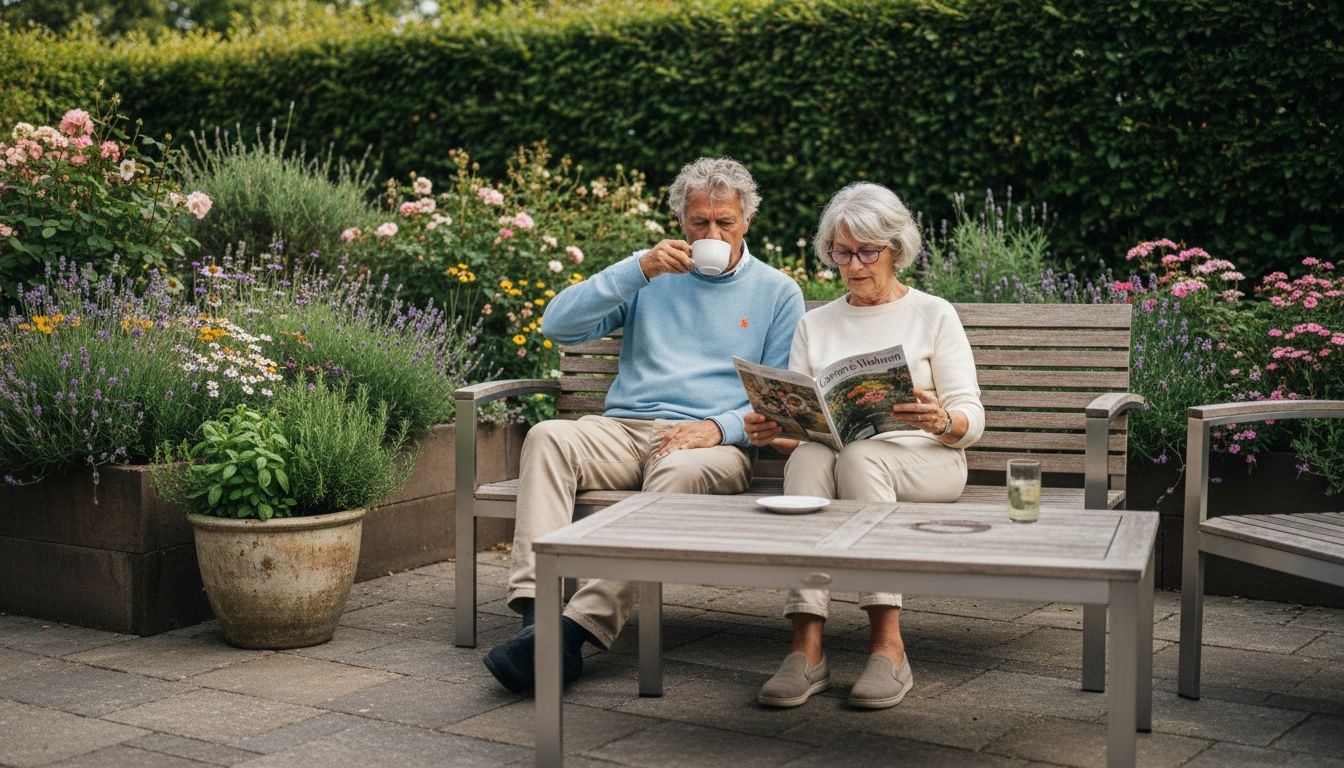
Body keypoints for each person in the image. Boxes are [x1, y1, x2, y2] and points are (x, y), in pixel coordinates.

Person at [483, 156, 806, 693]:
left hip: (708, 444)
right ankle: (536, 616)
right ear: (680, 220)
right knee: (547, 436)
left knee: (675, 473)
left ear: (747, 219)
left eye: (724, 222)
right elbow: (557, 326)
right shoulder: (649, 273)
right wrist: (637, 269)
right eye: (699, 222)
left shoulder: (777, 292)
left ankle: (572, 631)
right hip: (624, 429)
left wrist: (719, 428)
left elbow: (778, 403)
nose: (712, 234)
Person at [744, 181, 984, 709]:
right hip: (846, 461)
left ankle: (888, 646)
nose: (853, 265)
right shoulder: (815, 323)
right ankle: (806, 647)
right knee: (813, 453)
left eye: (866, 252)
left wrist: (941, 419)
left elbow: (972, 418)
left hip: (929, 460)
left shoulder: (934, 313)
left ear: (895, 249)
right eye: (842, 252)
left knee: (859, 455)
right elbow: (805, 431)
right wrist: (776, 430)